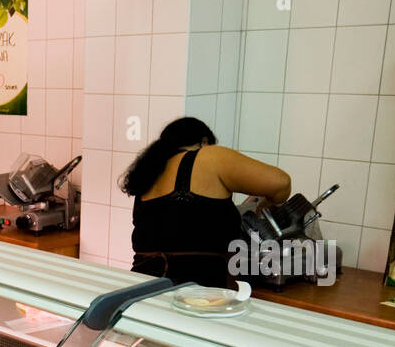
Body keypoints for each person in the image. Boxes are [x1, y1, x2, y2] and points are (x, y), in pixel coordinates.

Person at [121, 117, 292, 289]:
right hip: (197, 293)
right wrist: (268, 203)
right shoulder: (208, 156)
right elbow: (281, 184)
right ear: (203, 142)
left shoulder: (149, 172)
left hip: (140, 288)